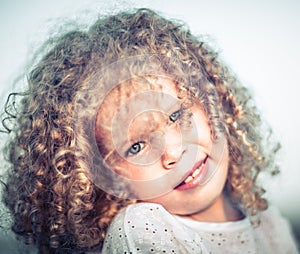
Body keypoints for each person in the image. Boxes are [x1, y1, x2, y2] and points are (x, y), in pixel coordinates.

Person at [0, 8, 298, 254]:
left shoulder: (266, 220)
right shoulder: (142, 230)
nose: (173, 151)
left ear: (212, 104)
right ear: (108, 180)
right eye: (136, 147)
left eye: (177, 115)